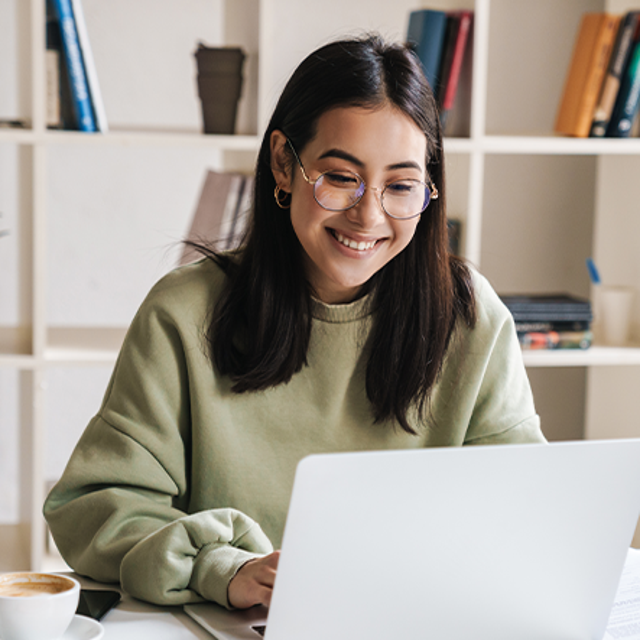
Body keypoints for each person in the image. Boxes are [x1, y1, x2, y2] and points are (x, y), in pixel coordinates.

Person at [44, 34, 545, 610]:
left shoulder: (471, 319)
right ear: (284, 163)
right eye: (339, 176)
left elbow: (522, 508)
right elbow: (95, 505)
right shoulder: (184, 314)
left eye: (401, 186)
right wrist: (220, 567)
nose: (369, 215)